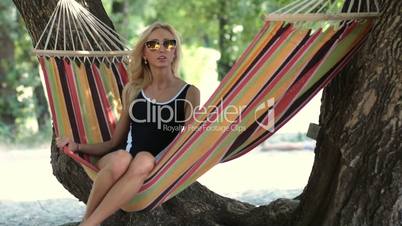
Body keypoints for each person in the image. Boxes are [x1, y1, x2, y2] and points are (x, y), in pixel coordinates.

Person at [56, 22, 200, 226]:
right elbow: (114, 143)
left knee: (144, 159)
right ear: (144, 54)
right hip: (118, 160)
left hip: (157, 165)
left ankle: (88, 223)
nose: (161, 49)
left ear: (175, 51)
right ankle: (89, 222)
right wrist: (77, 147)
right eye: (153, 45)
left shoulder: (190, 93)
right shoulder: (133, 90)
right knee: (123, 157)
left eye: (168, 43)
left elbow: (190, 138)